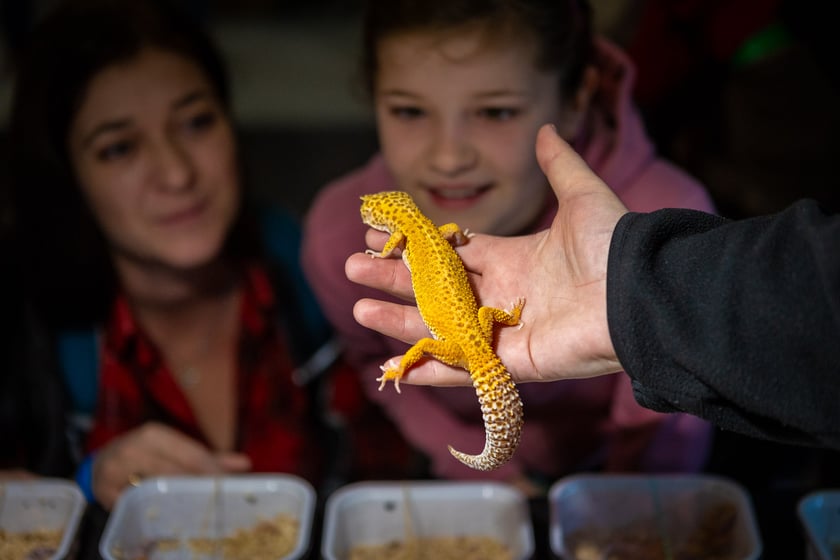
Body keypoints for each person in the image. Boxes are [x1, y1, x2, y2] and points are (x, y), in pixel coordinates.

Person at [303, 0, 717, 495]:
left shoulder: (665, 222)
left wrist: (623, 498)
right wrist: (486, 472)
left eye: (496, 111)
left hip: (629, 474)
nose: (449, 157)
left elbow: (680, 403)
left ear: (577, 97)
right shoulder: (336, 237)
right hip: (472, 471)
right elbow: (369, 360)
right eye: (410, 110)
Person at [5, 0, 335, 509]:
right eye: (119, 149)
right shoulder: (26, 329)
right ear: (67, 176)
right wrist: (82, 486)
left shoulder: (315, 271)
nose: (177, 174)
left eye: (197, 123)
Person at [347, 123, 840, 450]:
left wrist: (402, 361)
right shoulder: (433, 229)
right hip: (479, 328)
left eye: (374, 211)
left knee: (418, 349)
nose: (369, 211)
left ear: (392, 220)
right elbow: (454, 233)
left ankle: (411, 375)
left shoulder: (407, 241)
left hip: (468, 338)